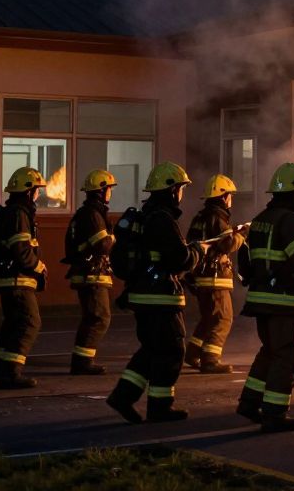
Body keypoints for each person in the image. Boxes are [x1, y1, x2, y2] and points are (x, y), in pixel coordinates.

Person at [106, 161, 204, 424]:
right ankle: (160, 407)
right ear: (172, 190)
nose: (182, 193)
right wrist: (197, 252)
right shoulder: (163, 219)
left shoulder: (146, 216)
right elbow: (179, 259)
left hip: (142, 295)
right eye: (181, 187)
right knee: (172, 350)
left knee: (151, 350)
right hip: (160, 297)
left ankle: (123, 396)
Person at [235, 162, 294, 432]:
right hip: (283, 301)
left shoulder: (261, 219)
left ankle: (250, 403)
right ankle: (274, 414)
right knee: (289, 357)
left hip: (261, 299)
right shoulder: (290, 220)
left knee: (270, 352)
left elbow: (246, 260)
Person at [0, 168, 48, 389]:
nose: (38, 194)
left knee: (12, 325)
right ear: (29, 191)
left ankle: (2, 370)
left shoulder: (10, 212)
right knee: (29, 322)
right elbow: (21, 249)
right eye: (37, 190)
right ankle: (11, 373)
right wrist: (39, 266)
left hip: (8, 279)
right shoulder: (19, 214)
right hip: (17, 280)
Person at [184, 174, 246, 374]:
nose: (231, 200)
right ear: (223, 196)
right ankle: (210, 359)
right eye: (230, 195)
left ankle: (193, 352)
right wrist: (242, 235)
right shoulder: (217, 218)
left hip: (200, 277)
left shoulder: (199, 218)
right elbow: (226, 244)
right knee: (222, 318)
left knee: (208, 318)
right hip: (215, 278)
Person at [65, 169, 117, 375]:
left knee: (93, 317)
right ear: (101, 190)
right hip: (92, 274)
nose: (110, 193)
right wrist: (115, 238)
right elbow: (103, 244)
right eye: (109, 189)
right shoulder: (94, 214)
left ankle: (82, 360)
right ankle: (82, 362)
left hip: (87, 272)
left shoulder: (88, 212)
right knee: (99, 317)